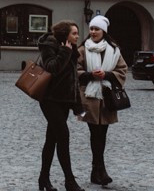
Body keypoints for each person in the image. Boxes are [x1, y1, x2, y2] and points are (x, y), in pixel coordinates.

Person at [78, 15, 128, 187]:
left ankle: (97, 169)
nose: (93, 32)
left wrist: (106, 74)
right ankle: (99, 168)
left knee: (103, 133)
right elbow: (75, 70)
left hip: (107, 98)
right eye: (91, 29)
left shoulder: (114, 50)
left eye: (96, 29)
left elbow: (122, 69)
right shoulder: (83, 49)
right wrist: (90, 75)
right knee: (95, 132)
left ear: (103, 31)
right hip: (89, 97)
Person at [36, 20, 83, 191]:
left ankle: (43, 178)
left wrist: (78, 105)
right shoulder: (50, 46)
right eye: (74, 33)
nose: (77, 36)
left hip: (64, 101)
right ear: (65, 34)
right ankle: (69, 181)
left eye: (77, 33)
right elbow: (52, 68)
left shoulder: (71, 48)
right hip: (49, 100)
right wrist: (64, 52)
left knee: (51, 139)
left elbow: (73, 80)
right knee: (63, 136)